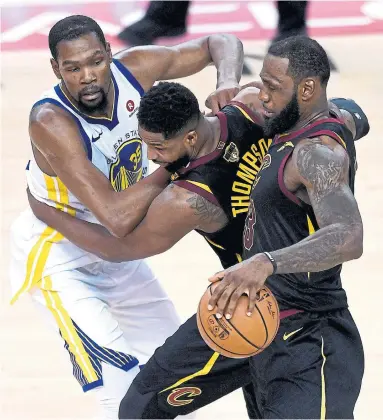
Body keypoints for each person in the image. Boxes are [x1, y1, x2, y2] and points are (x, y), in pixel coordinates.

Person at [27, 76, 369, 420]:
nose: (151, 156)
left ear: (190, 137)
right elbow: (337, 114)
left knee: (139, 408)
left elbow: (117, 247)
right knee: (139, 406)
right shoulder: (249, 105)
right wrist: (229, 78)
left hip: (260, 308)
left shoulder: (187, 199)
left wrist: (47, 212)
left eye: (159, 147)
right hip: (255, 302)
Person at [9, 14, 244, 419]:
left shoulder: (136, 68)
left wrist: (226, 81)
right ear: (55, 69)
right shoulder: (51, 121)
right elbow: (117, 217)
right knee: (118, 387)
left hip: (118, 253)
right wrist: (178, 159)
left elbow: (219, 41)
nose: (88, 76)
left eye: (95, 61)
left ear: (110, 54)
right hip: (60, 254)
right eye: (73, 67)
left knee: (171, 370)